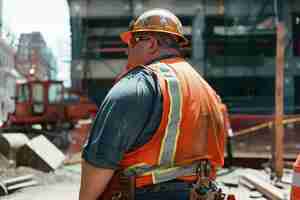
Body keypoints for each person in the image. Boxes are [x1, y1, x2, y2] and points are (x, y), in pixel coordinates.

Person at [79, 8, 227, 200]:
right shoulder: (205, 88)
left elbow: (100, 161)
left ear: (150, 43)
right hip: (202, 192)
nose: (127, 50)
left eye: (132, 42)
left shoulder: (138, 84)